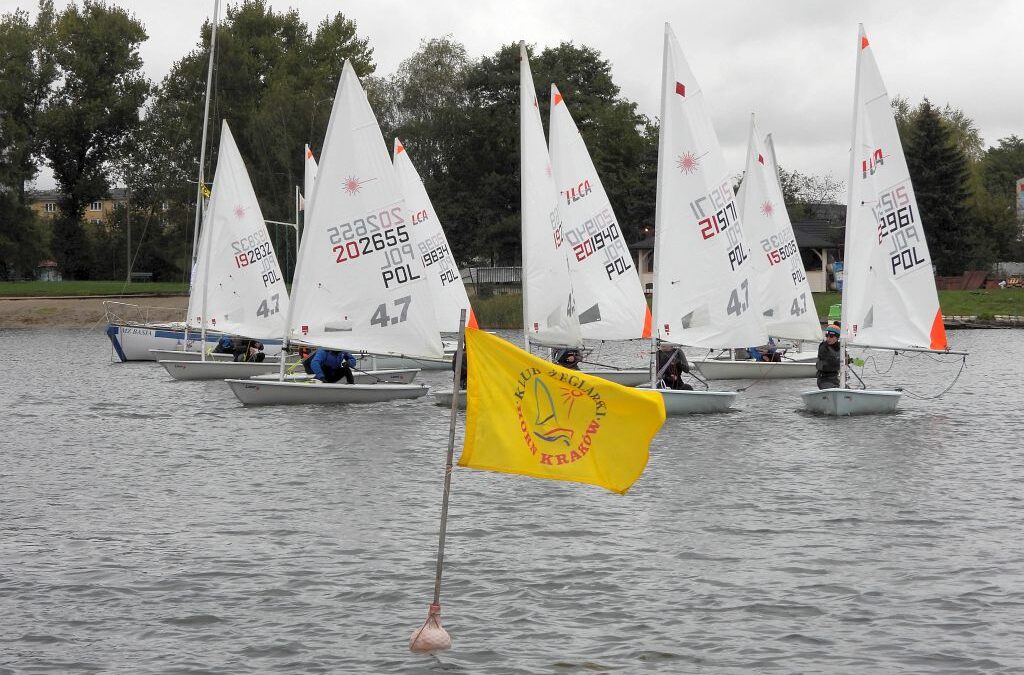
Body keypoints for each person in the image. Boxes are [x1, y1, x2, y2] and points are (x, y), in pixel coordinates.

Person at [816, 324, 842, 389]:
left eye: (831, 336)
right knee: (835, 389)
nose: (828, 338)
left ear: (837, 337)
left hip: (835, 379)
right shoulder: (823, 347)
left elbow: (848, 359)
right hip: (824, 380)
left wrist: (854, 361)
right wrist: (842, 360)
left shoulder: (841, 347)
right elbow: (830, 361)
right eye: (827, 336)